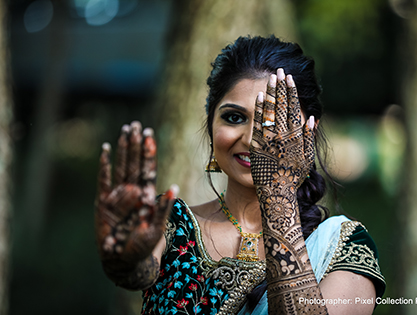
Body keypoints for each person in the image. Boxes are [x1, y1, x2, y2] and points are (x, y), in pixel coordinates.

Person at [95, 35, 385, 315]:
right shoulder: (171, 224)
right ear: (211, 127)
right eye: (234, 117)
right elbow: (137, 272)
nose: (250, 138)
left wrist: (278, 194)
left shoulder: (344, 248)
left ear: (308, 134)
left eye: (271, 122)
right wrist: (124, 260)